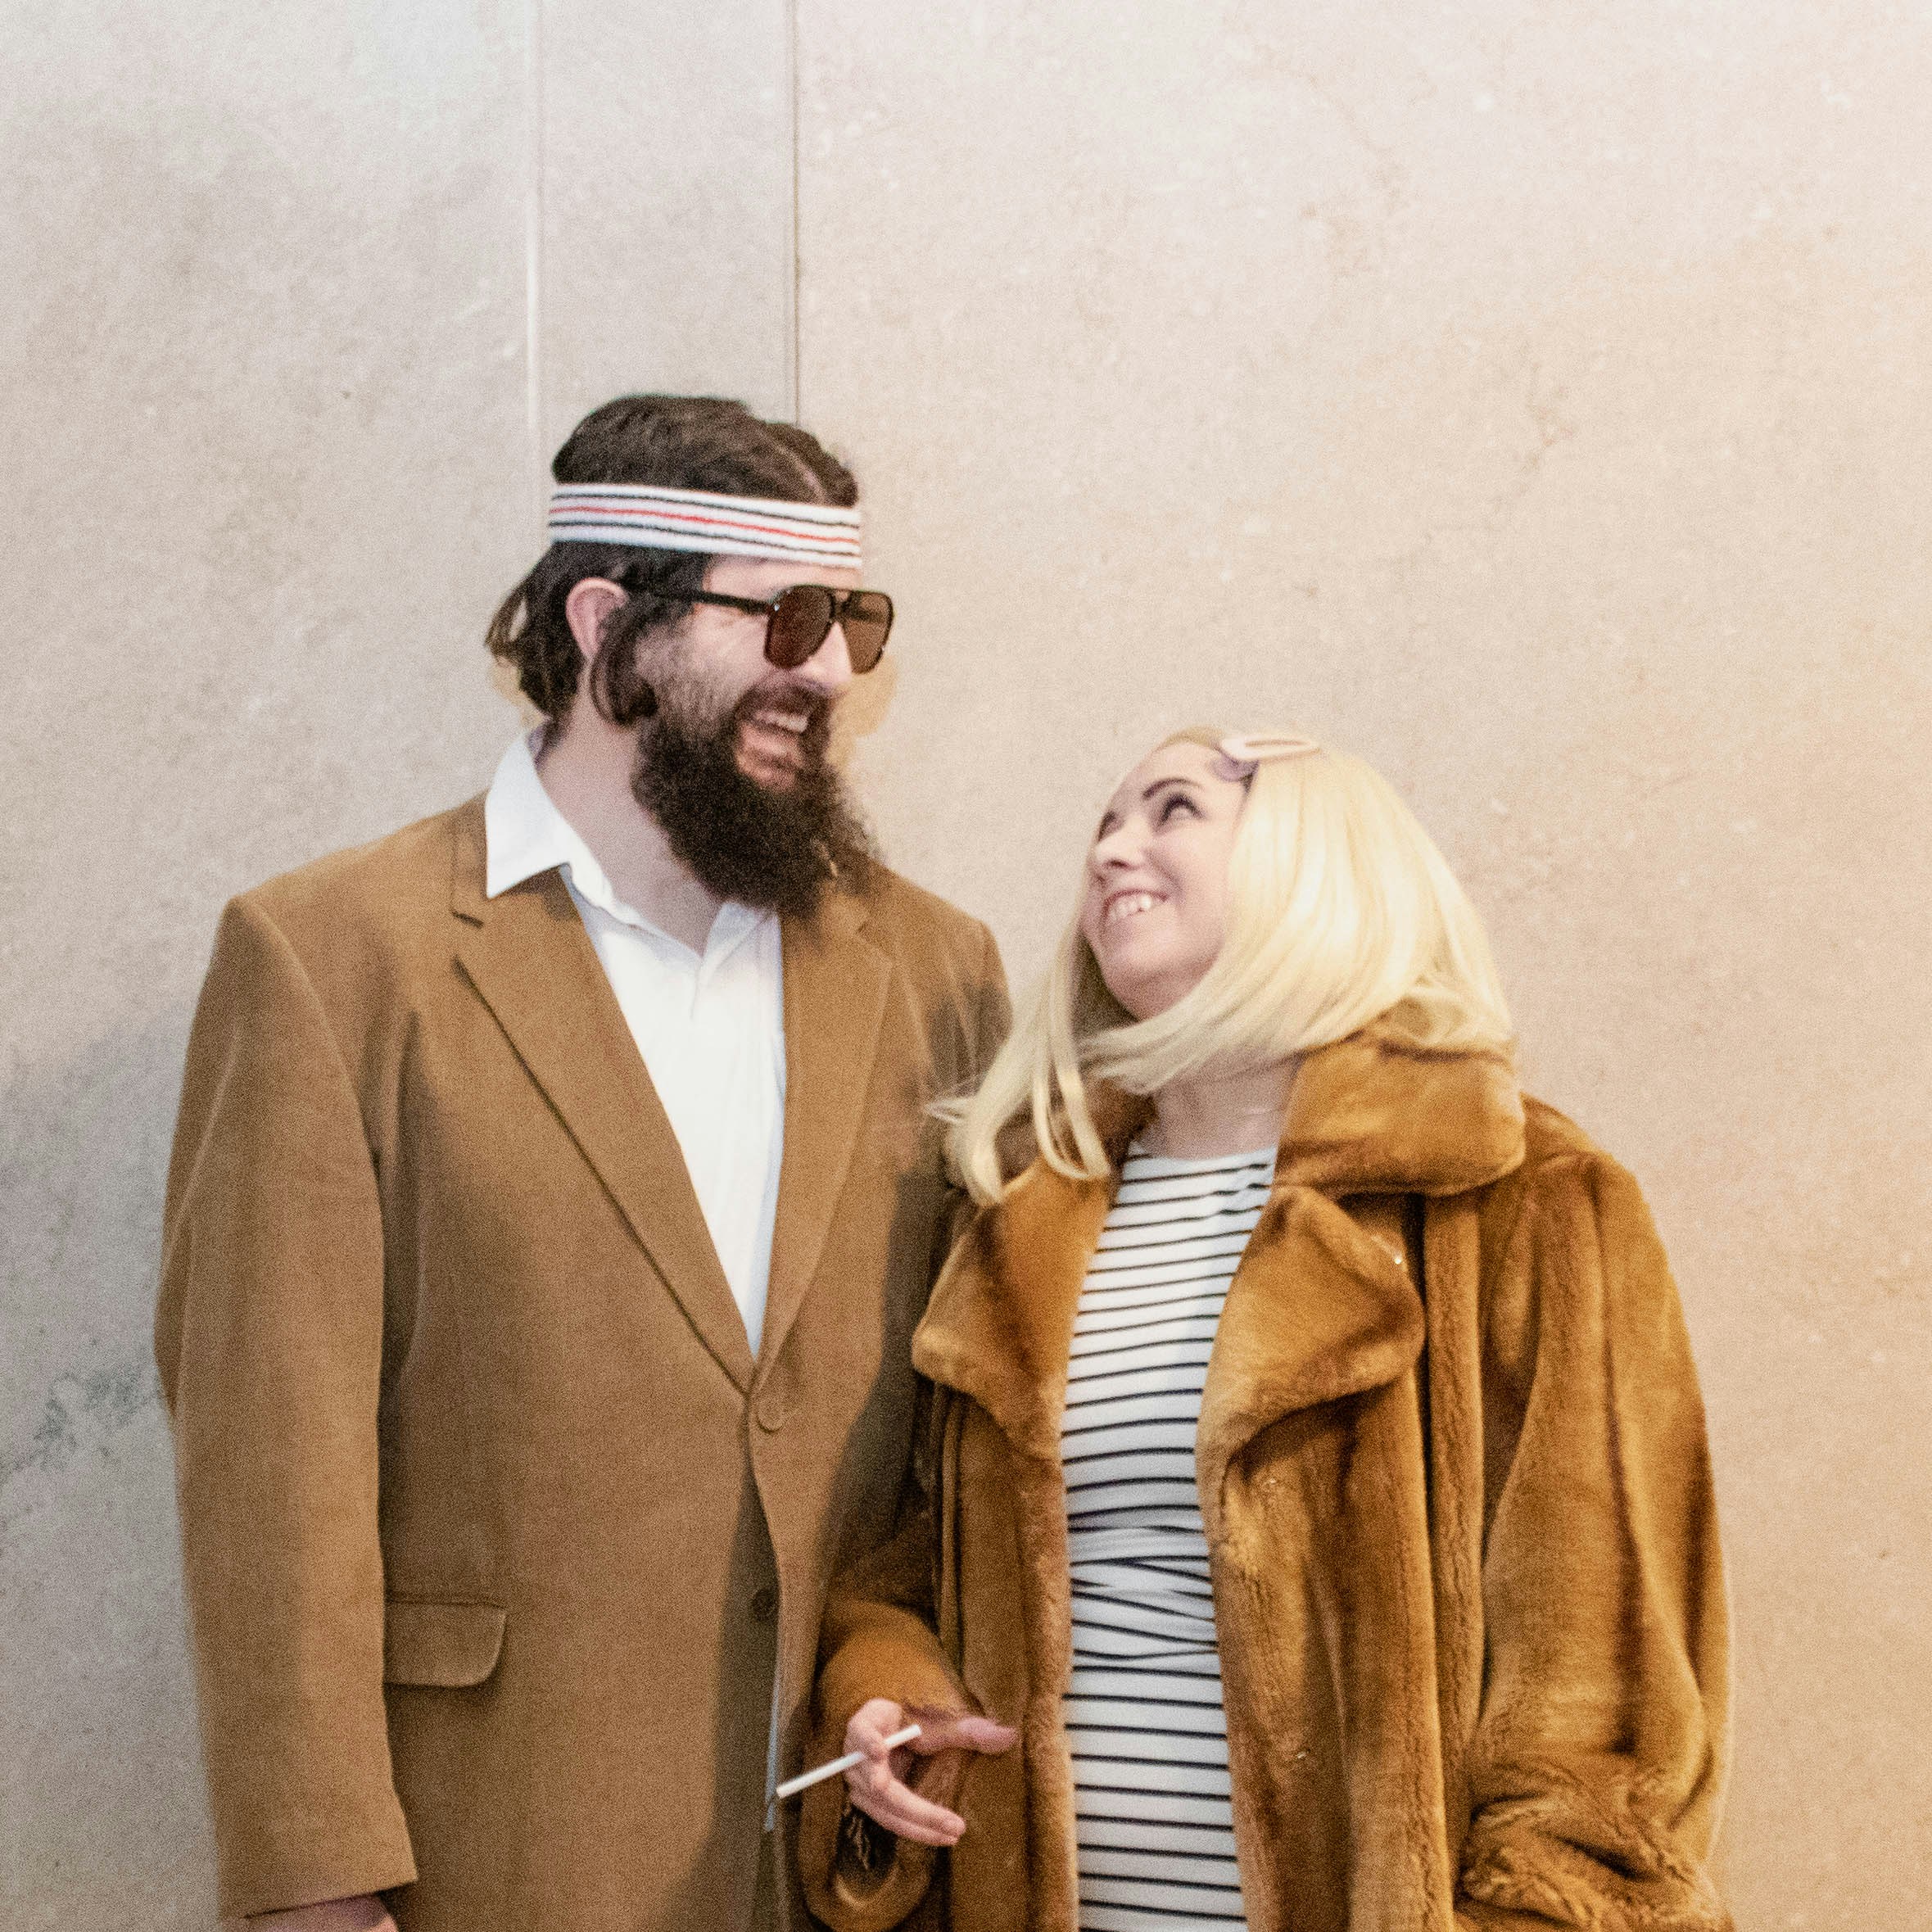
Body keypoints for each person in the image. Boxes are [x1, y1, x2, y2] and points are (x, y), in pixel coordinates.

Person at [154, 395, 1008, 1932]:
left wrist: (897, 1675)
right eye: (784, 620)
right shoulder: (334, 960)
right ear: (607, 625)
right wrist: (311, 1883)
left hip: (847, 1875)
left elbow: (958, 1449)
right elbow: (269, 1468)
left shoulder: (936, 970)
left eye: (854, 623)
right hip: (496, 1849)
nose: (829, 670)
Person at [799, 726, 1732, 1932]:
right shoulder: (1017, 1217)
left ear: (1315, 858)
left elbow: (1605, 1691)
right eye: (1105, 824)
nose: (1112, 850)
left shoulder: (1516, 1200)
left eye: (1173, 809)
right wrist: (887, 1688)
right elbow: (913, 1563)